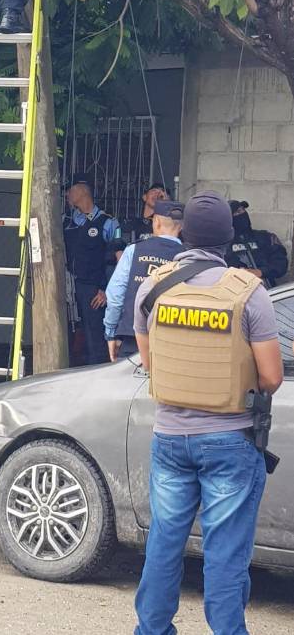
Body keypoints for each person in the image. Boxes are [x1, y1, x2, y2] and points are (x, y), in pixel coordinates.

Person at [133, 191, 284, 635]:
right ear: (228, 238)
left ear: (184, 234)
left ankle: (152, 629)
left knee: (163, 544)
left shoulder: (153, 287)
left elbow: (150, 362)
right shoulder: (248, 293)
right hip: (230, 440)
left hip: (170, 437)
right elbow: (272, 377)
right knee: (225, 554)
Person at [104, 200, 184, 362]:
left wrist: (111, 333)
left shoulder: (134, 250)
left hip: (132, 338)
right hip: (173, 341)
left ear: (156, 221)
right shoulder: (188, 256)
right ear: (182, 226)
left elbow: (115, 296)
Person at [63, 181, 120, 364]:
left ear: (82, 193)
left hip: (94, 289)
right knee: (69, 332)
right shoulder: (68, 221)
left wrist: (107, 289)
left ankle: (98, 371)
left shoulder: (108, 222)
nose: (67, 195)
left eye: (70, 191)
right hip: (69, 286)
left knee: (94, 335)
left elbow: (117, 261)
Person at [226, 199, 288, 288]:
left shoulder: (265, 237)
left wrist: (261, 272)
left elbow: (281, 264)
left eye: (242, 210)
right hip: (236, 290)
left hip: (266, 289)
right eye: (236, 213)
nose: (241, 214)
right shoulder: (224, 244)